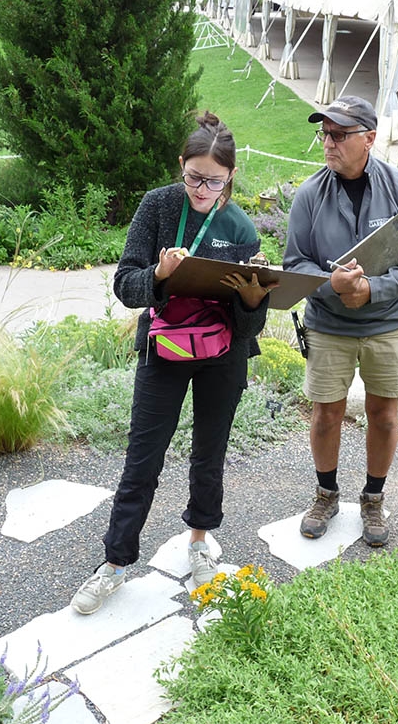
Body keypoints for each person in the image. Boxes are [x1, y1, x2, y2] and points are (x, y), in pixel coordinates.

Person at [71, 111, 276, 615]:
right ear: (181, 164)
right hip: (165, 349)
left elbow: (248, 328)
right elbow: (126, 285)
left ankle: (200, 543)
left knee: (209, 454)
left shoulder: (240, 226)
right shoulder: (158, 205)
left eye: (214, 181)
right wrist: (160, 276)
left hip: (222, 353)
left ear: (231, 175)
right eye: (193, 177)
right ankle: (114, 563)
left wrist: (254, 302)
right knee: (142, 459)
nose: (202, 190)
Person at [282, 95, 398, 547]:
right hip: (328, 323)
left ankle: (373, 498)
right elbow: (294, 263)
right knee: (325, 414)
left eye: (339, 134)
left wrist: (374, 288)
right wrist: (331, 284)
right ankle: (326, 495)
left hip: (388, 322)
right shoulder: (310, 194)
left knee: (384, 415)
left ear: (369, 138)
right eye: (324, 133)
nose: (328, 143)